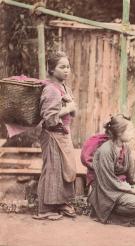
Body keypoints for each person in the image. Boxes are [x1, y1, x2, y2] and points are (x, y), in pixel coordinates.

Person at [88, 114, 135, 226]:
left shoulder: (126, 148)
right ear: (119, 133)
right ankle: (109, 215)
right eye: (130, 130)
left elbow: (134, 174)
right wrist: (133, 191)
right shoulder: (105, 151)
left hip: (121, 188)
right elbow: (109, 181)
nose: (133, 132)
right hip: (107, 191)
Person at [34, 51, 77, 220]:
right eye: (62, 67)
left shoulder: (65, 87)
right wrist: (68, 106)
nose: (67, 70)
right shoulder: (51, 90)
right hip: (52, 134)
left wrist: (69, 104)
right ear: (51, 69)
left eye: (68, 67)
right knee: (52, 170)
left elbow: (72, 113)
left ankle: (61, 203)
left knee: (65, 169)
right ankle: (45, 209)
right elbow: (50, 118)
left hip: (63, 133)